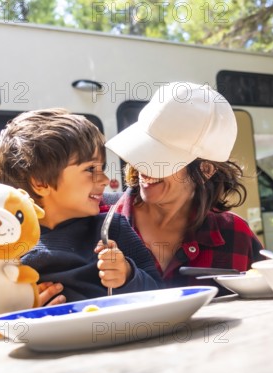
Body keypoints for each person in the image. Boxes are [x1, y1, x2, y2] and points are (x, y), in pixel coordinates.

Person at [0, 108, 162, 305]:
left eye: (102, 168)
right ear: (40, 183)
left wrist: (128, 275)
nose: (105, 180)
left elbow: (159, 292)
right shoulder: (7, 248)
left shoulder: (112, 228)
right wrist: (25, 308)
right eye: (90, 169)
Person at [105, 82, 264, 288]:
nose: (143, 166)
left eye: (160, 158)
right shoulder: (98, 225)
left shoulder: (235, 235)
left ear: (206, 170)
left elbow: (269, 299)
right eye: (142, 150)